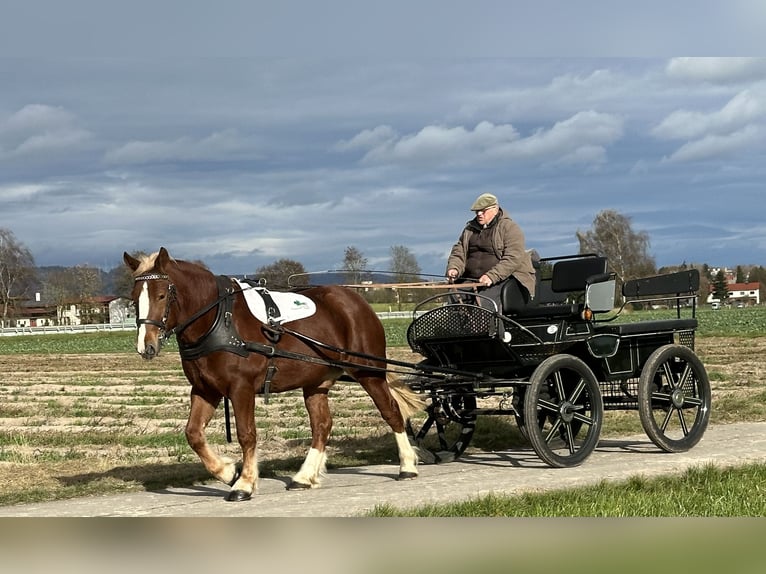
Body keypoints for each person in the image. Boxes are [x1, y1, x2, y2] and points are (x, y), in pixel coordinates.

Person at [446, 192, 536, 313]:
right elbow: (459, 251)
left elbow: (514, 257)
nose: (479, 214)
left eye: (483, 211)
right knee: (454, 294)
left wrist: (491, 276)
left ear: (495, 209)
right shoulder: (469, 230)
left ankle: (489, 331)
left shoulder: (509, 228)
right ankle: (458, 330)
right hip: (472, 280)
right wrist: (454, 268)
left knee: (485, 300)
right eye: (477, 211)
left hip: (503, 279)